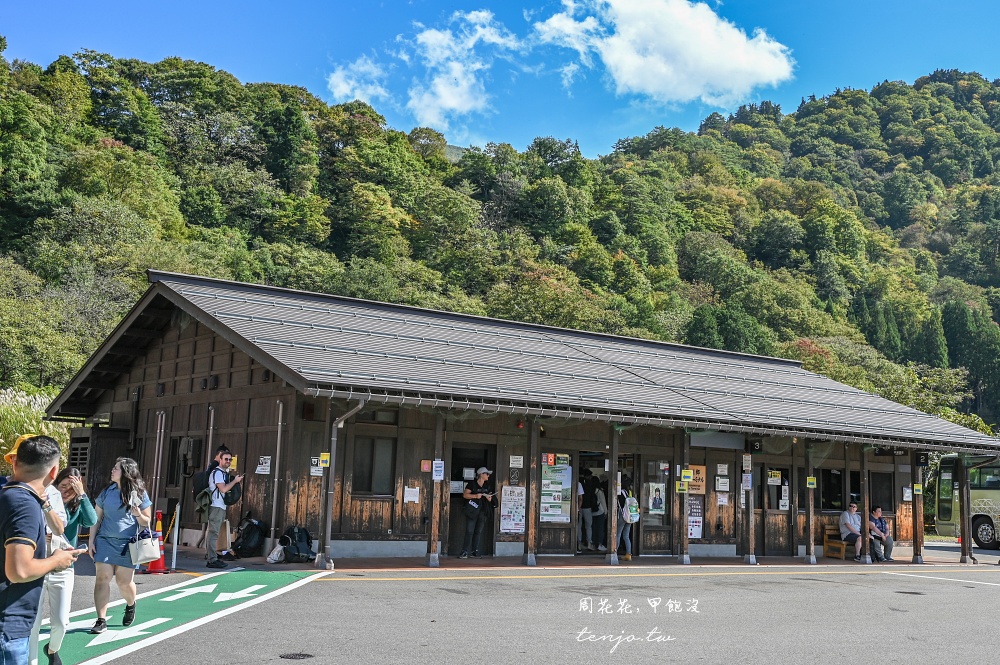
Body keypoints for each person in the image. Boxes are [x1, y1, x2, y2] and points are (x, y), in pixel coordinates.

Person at [1, 435, 82, 665]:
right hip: (7, 623)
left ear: (15, 463)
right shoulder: (24, 503)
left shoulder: (7, 495)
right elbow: (19, 570)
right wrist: (57, 560)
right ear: (54, 472)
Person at [89, 457, 152, 635]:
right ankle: (101, 620)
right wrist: (91, 540)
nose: (112, 470)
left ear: (125, 472)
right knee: (102, 578)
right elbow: (96, 518)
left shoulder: (139, 493)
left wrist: (138, 514)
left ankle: (131, 605)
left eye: (116, 468)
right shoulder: (107, 491)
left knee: (123, 582)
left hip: (128, 544)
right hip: (105, 540)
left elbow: (146, 522)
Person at [28, 472, 69, 665]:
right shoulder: (13, 491)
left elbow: (59, 528)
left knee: (61, 623)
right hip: (32, 564)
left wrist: (45, 504)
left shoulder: (52, 493)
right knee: (32, 625)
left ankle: (52, 649)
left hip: (59, 562)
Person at [206, 447, 243, 569]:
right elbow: (223, 489)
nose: (228, 461)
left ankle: (212, 558)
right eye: (225, 459)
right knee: (213, 533)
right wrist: (235, 481)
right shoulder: (217, 473)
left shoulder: (222, 473)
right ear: (220, 459)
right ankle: (212, 559)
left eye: (229, 459)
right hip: (216, 506)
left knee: (214, 533)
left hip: (220, 506)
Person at [460, 467, 496, 559]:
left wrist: (489, 498)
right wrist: (475, 496)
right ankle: (464, 551)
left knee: (478, 532)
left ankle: (474, 551)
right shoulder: (471, 484)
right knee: (469, 531)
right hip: (472, 511)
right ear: (481, 474)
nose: (488, 476)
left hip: (483, 511)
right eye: (486, 474)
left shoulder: (487, 486)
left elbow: (492, 498)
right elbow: (465, 495)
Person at [615, 475, 635, 561]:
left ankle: (614, 551)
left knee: (618, 534)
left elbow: (619, 504)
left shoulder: (620, 492)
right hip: (629, 515)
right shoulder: (629, 492)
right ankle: (628, 554)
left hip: (622, 515)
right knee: (626, 535)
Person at [577, 468, 595, 553]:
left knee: (578, 525)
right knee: (588, 526)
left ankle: (579, 543)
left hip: (578, 507)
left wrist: (578, 507)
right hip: (587, 506)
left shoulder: (577, 481)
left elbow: (580, 498)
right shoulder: (589, 483)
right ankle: (589, 542)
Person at [591, 475, 608, 552]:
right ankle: (600, 544)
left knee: (593, 528)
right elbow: (603, 502)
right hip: (600, 511)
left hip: (592, 512)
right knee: (600, 528)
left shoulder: (590, 490)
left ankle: (593, 543)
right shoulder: (600, 491)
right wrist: (606, 512)